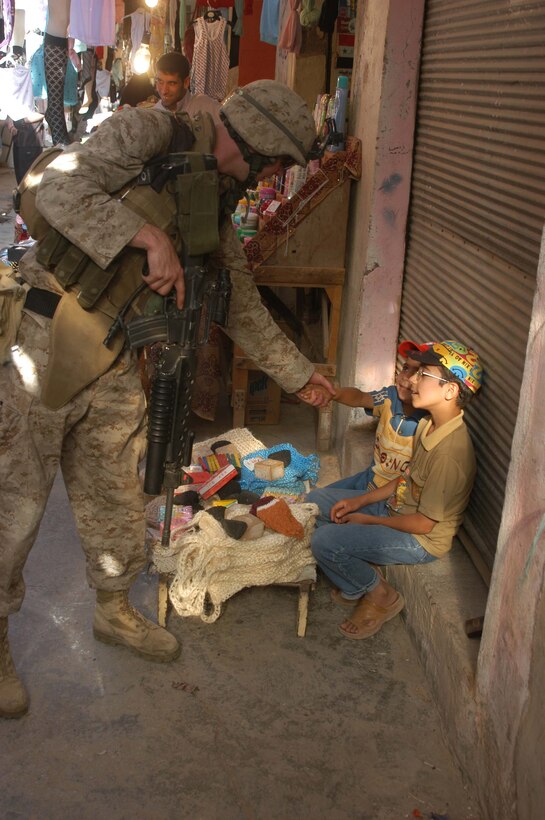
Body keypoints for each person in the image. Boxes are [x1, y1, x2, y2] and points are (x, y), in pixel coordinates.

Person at [0, 79, 335, 718]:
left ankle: (112, 609)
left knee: (120, 497)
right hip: (43, 338)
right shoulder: (151, 132)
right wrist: (146, 238)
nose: (268, 175)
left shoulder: (213, 200)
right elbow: (55, 187)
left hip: (117, 353)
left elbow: (241, 304)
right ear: (257, 146)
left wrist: (299, 375)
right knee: (13, 506)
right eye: (272, 162)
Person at [310, 340, 482, 641]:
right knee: (314, 505)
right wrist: (358, 501)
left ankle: (381, 594)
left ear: (450, 391)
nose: (412, 380)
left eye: (424, 374)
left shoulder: (450, 455)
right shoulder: (429, 425)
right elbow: (404, 480)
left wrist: (369, 520)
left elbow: (424, 524)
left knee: (324, 539)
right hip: (395, 508)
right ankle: (362, 563)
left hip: (419, 539)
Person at [305, 340, 431, 518]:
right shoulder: (391, 396)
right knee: (312, 501)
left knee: (322, 508)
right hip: (369, 479)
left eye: (418, 372)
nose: (406, 377)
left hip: (391, 499)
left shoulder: (429, 422)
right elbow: (360, 397)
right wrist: (333, 393)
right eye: (405, 368)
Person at [153, 51, 220, 121]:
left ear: (186, 82)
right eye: (160, 82)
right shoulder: (153, 115)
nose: (164, 91)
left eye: (171, 83)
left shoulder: (206, 106)